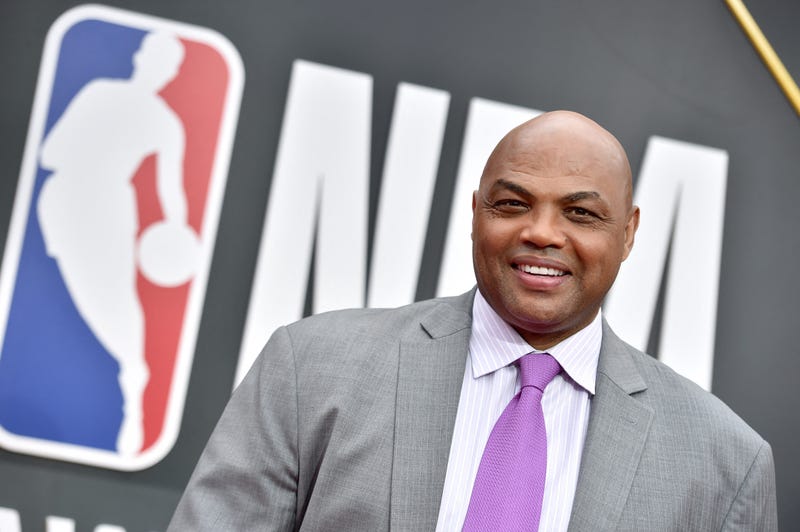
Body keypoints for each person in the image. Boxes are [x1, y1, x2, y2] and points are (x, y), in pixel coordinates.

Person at [168, 111, 777, 530]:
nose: (540, 232)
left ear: (629, 233)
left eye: (580, 214)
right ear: (475, 213)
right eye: (511, 204)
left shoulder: (723, 462)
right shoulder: (311, 369)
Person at [37, 32, 191, 455]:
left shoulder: (165, 123)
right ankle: (128, 376)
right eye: (157, 56)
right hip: (67, 204)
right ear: (141, 56)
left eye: (168, 62)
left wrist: (176, 234)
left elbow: (171, 193)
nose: (161, 67)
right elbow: (49, 153)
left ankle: (133, 382)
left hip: (104, 207)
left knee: (114, 301)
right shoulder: (101, 94)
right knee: (81, 299)